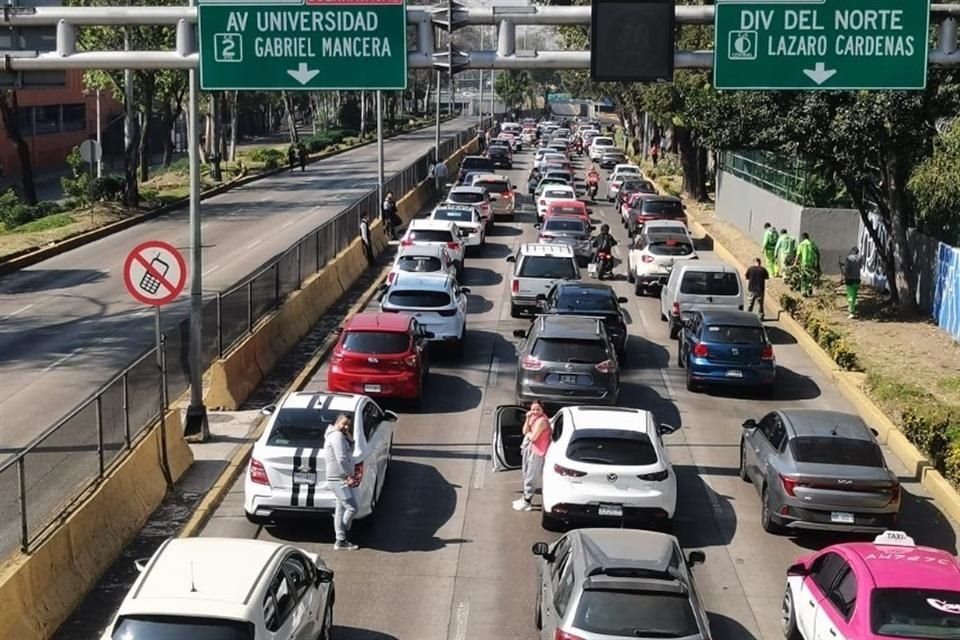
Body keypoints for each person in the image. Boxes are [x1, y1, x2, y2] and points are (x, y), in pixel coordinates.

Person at [323, 414, 359, 550]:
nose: (346, 427)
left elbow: (350, 450)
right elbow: (342, 458)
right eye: (344, 424)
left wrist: (349, 437)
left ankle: (340, 539)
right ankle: (343, 534)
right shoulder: (336, 436)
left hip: (339, 478)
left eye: (348, 425)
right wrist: (351, 475)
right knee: (352, 507)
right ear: (337, 422)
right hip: (338, 479)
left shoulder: (340, 435)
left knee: (340, 509)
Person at [512, 400, 552, 511]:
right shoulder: (533, 418)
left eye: (538, 409)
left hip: (538, 452)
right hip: (531, 449)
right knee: (526, 473)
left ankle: (527, 502)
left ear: (542, 410)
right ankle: (524, 497)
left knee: (531, 476)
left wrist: (529, 434)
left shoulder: (542, 421)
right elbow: (525, 431)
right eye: (533, 409)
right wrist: (528, 418)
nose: (535, 411)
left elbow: (533, 437)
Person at [794, 232, 820, 297]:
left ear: (802, 238)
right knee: (810, 276)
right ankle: (809, 287)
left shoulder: (801, 244)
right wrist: (817, 263)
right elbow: (818, 253)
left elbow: (798, 255)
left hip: (804, 263)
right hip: (811, 263)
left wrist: (795, 263)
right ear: (808, 237)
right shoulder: (812, 244)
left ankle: (803, 291)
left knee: (803, 277)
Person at [842, 247, 862, 318]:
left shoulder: (848, 258)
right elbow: (860, 267)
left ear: (852, 251)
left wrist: (844, 274)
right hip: (857, 278)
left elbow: (847, 268)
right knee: (854, 294)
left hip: (849, 278)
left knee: (850, 295)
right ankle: (853, 308)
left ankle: (851, 311)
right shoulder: (859, 258)